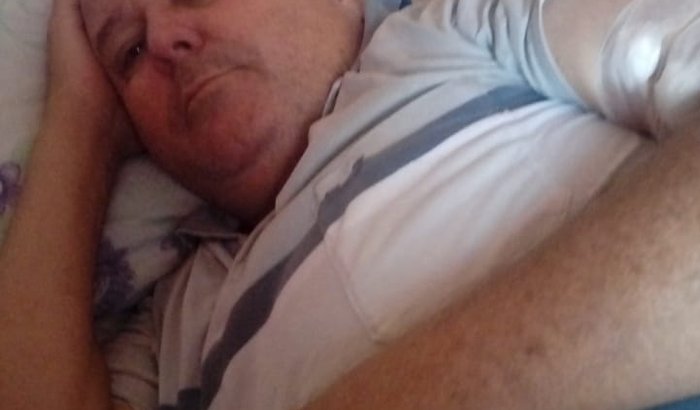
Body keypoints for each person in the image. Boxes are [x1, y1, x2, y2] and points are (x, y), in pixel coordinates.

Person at [1, 0, 700, 410]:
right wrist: (79, 125)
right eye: (127, 53)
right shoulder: (178, 323)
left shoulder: (463, 30)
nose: (160, 40)